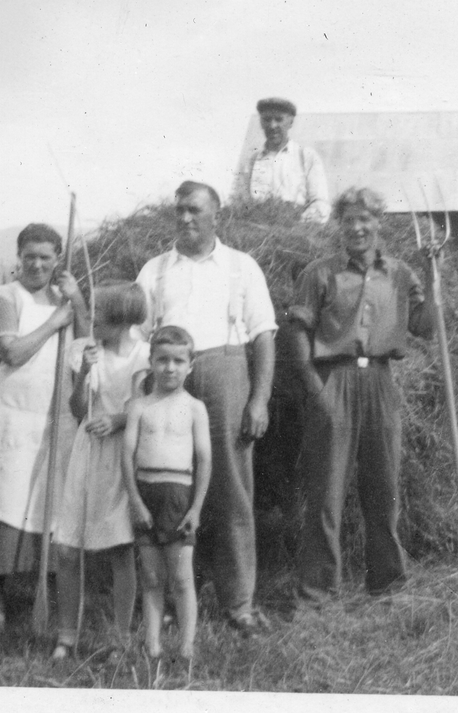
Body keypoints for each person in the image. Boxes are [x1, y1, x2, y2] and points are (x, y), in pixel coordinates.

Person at [135, 180, 277, 636]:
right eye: (179, 210)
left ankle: (239, 603)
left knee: (232, 485)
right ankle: (173, 597)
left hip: (224, 371)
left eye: (195, 210)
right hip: (168, 375)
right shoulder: (155, 270)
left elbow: (263, 336)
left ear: (217, 215)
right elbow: (137, 337)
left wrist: (259, 398)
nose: (185, 218)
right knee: (169, 483)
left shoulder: (241, 266)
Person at [289, 186, 435, 602]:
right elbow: (297, 333)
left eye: (365, 219)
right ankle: (317, 592)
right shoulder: (319, 273)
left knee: (384, 486)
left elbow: (425, 326)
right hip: (334, 380)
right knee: (327, 493)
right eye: (349, 219)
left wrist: (434, 276)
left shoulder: (402, 273)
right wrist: (317, 391)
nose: (357, 227)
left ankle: (387, 584)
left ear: (378, 223)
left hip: (381, 382)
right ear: (339, 225)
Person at [0, 223, 88, 629]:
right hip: (12, 415)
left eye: (45, 256)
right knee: (4, 499)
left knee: (47, 503)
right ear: (19, 256)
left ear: (58, 258)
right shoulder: (5, 296)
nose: (36, 263)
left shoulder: (64, 297)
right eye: (29, 255)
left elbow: (87, 344)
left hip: (56, 415)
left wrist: (78, 304)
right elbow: (12, 352)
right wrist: (55, 321)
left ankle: (44, 590)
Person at [50, 281, 150, 659]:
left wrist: (118, 420)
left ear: (122, 321)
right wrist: (84, 374)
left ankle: (121, 638)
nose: (91, 322)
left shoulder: (142, 355)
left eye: (99, 317)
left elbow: (140, 407)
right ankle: (66, 635)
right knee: (66, 547)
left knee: (119, 548)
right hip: (86, 452)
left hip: (120, 457)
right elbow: (78, 410)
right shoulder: (87, 352)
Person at [122, 325, 212, 661]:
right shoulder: (139, 406)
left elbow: (204, 459)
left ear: (191, 364)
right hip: (145, 493)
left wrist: (196, 508)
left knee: (181, 577)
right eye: (162, 360)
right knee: (151, 576)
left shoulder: (194, 408)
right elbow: (126, 456)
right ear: (151, 362)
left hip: (179, 495)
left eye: (178, 360)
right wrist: (134, 500)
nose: (170, 368)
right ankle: (153, 645)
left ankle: (187, 646)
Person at [232, 97, 331, 223]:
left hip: (297, 228)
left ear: (290, 122)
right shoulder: (250, 162)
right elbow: (238, 202)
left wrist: (300, 224)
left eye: (279, 119)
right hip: (257, 229)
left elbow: (320, 201)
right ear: (261, 123)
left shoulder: (306, 156)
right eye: (267, 120)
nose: (272, 126)